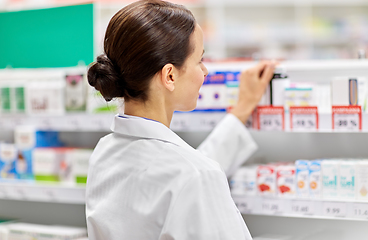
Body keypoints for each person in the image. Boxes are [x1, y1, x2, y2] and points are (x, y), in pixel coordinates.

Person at [85, 0, 275, 239]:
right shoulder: (192, 174)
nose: (204, 72)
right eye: (199, 60)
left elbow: (178, 172)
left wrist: (243, 108)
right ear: (170, 75)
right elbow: (190, 175)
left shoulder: (104, 154)